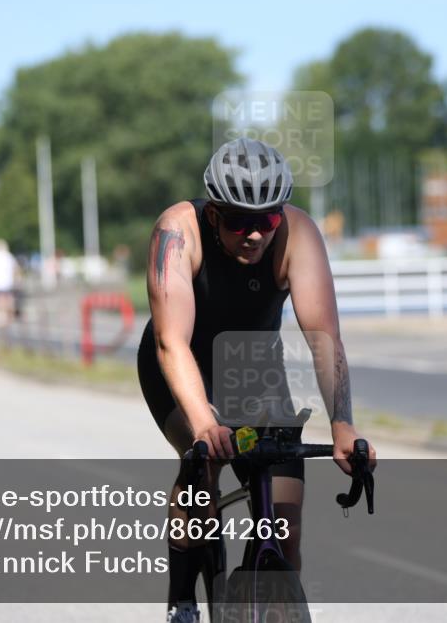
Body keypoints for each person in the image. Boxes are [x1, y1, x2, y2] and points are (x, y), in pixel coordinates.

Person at [137, 138, 376, 622]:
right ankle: (182, 600)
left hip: (252, 368)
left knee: (285, 527)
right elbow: (171, 343)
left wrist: (343, 426)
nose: (253, 235)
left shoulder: (299, 234)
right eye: (238, 222)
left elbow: (323, 338)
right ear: (211, 215)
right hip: (180, 365)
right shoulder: (175, 232)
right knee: (201, 468)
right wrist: (204, 424)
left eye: (265, 221)